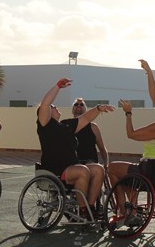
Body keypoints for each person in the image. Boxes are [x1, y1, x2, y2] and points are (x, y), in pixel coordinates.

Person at [107, 59, 155, 226]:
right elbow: (154, 95)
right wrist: (149, 72)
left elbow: (131, 134)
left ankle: (126, 210)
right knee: (129, 174)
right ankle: (131, 206)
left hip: (149, 171)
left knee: (112, 168)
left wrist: (128, 114)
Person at [37, 78, 115, 219]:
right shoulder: (45, 126)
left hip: (71, 166)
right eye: (53, 107)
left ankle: (90, 208)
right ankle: (83, 209)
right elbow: (45, 104)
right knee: (83, 170)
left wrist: (98, 108)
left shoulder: (66, 125)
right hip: (56, 169)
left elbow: (84, 119)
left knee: (98, 169)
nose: (55, 107)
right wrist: (58, 86)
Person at [64, 97, 109, 167]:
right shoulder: (67, 125)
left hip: (91, 165)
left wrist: (106, 164)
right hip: (73, 165)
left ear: (86, 110)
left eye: (82, 104)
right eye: (76, 104)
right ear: (72, 110)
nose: (78, 106)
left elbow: (102, 148)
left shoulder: (93, 127)